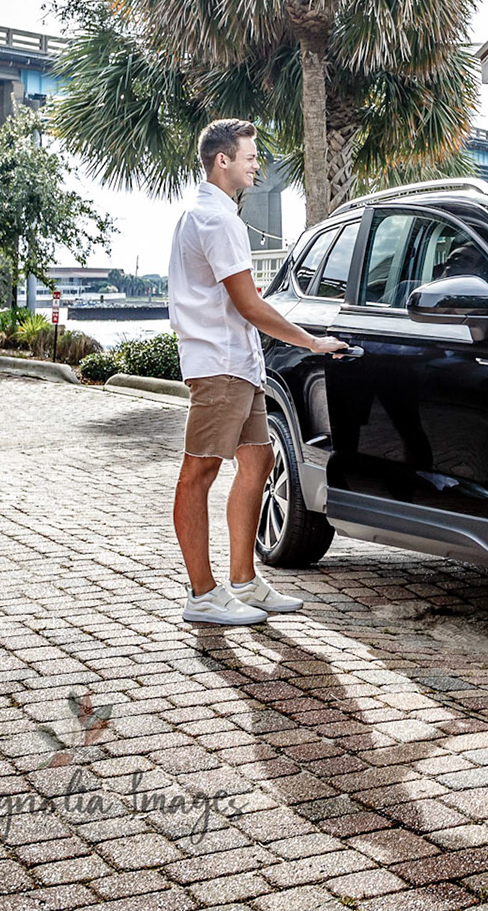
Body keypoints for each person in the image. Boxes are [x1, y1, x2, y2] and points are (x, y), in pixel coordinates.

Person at [169, 119, 346, 626]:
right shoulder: (217, 220)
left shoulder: (207, 214)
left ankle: (243, 582)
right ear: (221, 160)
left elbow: (236, 298)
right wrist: (311, 341)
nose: (255, 163)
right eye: (248, 155)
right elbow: (248, 304)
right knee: (198, 473)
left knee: (258, 461)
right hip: (220, 365)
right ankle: (202, 595)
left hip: (239, 363)